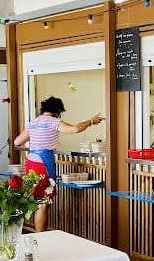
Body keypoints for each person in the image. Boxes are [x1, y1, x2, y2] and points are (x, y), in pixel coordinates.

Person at [13, 96, 104, 232]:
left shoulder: (34, 122)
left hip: (31, 162)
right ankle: (41, 238)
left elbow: (17, 142)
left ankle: (37, 235)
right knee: (43, 203)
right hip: (43, 164)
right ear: (57, 111)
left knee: (35, 200)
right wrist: (91, 121)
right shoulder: (53, 121)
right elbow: (75, 129)